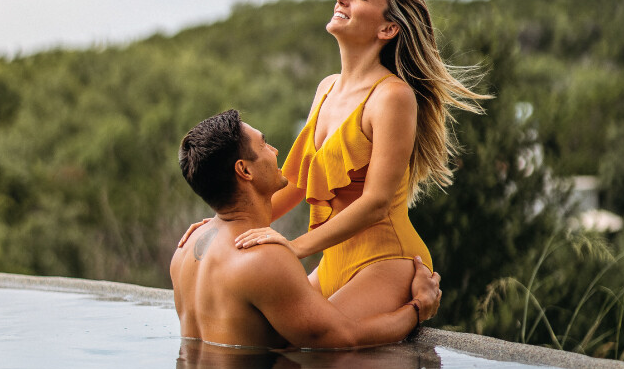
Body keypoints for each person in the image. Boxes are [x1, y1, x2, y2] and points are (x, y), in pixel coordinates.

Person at [230, 0, 488, 320]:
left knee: (311, 344)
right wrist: (226, 224)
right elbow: (297, 183)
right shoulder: (326, 88)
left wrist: (292, 248)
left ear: (387, 29)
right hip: (332, 261)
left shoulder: (392, 97)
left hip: (387, 261)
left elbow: (377, 202)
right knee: (267, 336)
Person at [170, 109, 441, 349]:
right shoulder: (262, 259)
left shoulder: (185, 250)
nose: (275, 151)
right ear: (244, 171)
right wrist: (418, 307)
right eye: (264, 144)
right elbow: (345, 338)